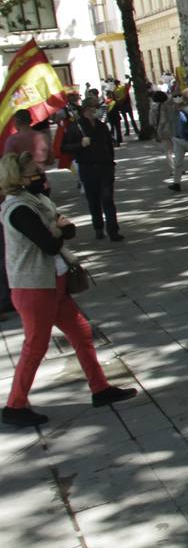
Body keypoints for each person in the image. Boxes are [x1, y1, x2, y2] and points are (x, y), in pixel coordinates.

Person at [0, 152, 138, 428]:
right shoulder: (19, 208)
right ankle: (15, 405)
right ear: (19, 178)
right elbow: (50, 244)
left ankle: (100, 389)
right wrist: (58, 229)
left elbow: (68, 230)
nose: (40, 174)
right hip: (35, 288)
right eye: (34, 171)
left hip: (54, 283)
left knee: (82, 333)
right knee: (35, 347)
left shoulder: (38, 201)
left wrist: (58, 229)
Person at [60, 99, 122, 241]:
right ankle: (98, 228)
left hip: (105, 167)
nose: (95, 111)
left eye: (96, 108)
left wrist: (111, 162)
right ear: (85, 110)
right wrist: (80, 144)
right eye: (92, 108)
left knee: (107, 200)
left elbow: (109, 144)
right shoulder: (76, 127)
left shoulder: (101, 126)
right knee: (93, 200)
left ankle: (113, 230)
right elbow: (64, 147)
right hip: (88, 168)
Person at [151, 91, 188, 191]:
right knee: (179, 155)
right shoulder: (172, 104)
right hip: (176, 132)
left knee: (168, 152)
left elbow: (155, 121)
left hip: (167, 132)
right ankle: (177, 179)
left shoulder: (156, 107)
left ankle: (174, 171)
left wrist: (157, 131)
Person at [4, 110, 52, 177]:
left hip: (21, 179)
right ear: (31, 121)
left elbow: (7, 164)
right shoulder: (43, 137)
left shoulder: (11, 140)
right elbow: (50, 160)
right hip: (40, 178)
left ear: (15, 123)